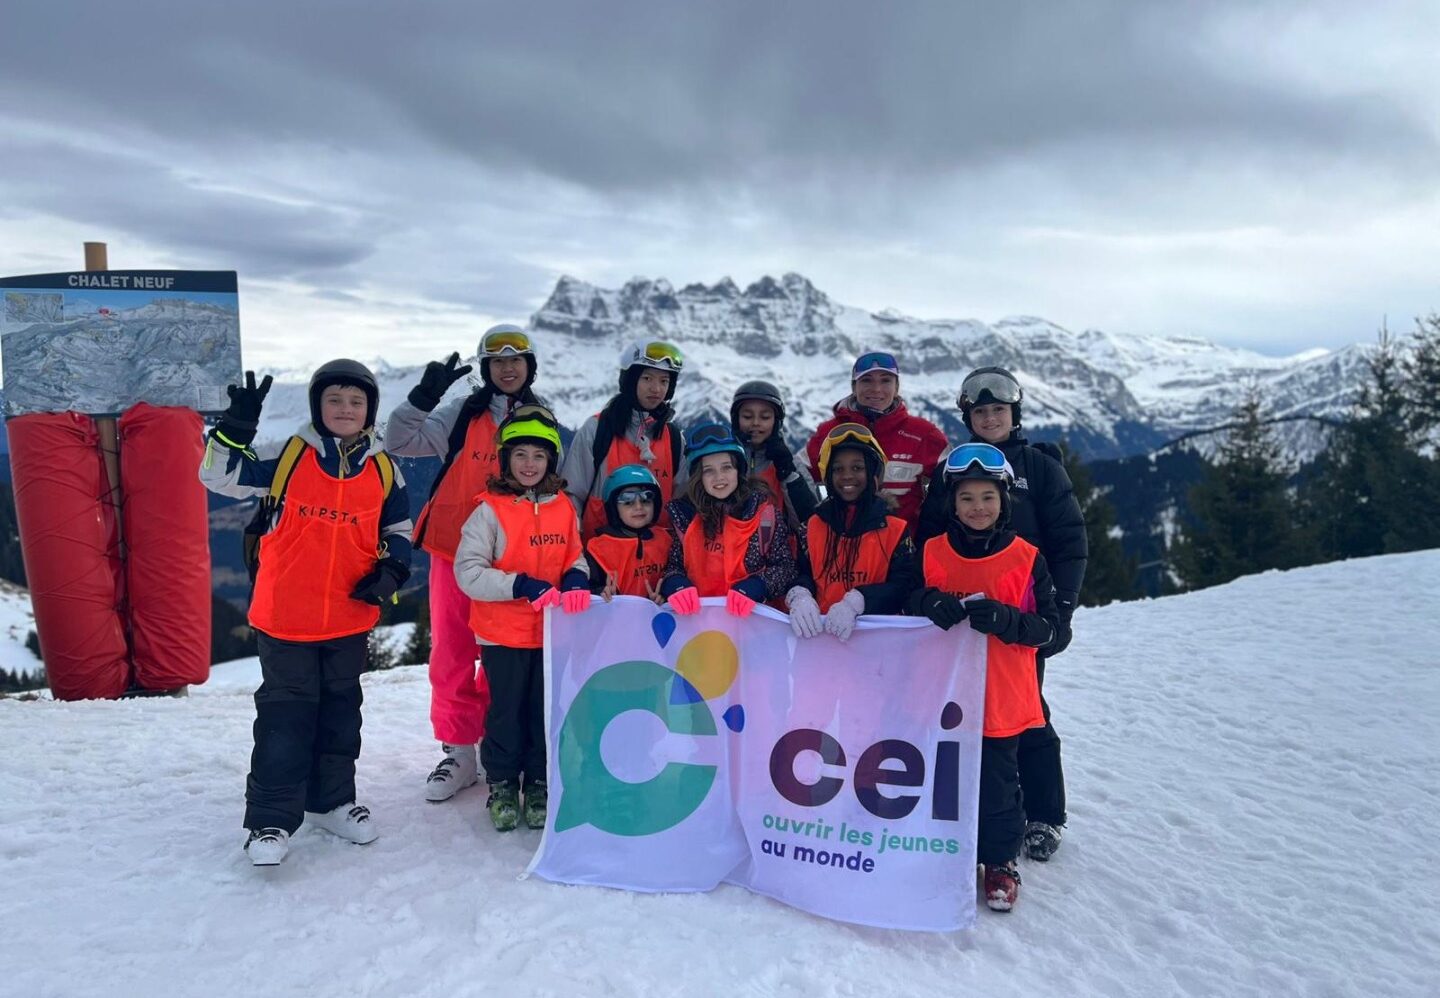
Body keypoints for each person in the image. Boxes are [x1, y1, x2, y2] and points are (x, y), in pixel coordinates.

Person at [201, 361, 412, 867]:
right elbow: (217, 474)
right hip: (286, 617)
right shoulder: (288, 455)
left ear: (370, 411)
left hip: (348, 617)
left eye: (356, 402)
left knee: (341, 716)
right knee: (285, 719)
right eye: (335, 400)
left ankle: (330, 802)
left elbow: (400, 527)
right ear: (318, 406)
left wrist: (393, 572)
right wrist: (236, 429)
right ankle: (269, 821)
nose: (345, 409)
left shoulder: (383, 467)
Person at [916, 366, 1087, 862]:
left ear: (1014, 413)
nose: (990, 418)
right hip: (960, 623)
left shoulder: (1041, 467)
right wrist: (927, 599)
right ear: (968, 417)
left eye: (999, 410)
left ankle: (1044, 816)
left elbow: (1070, 543)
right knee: (964, 719)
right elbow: (929, 538)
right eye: (981, 410)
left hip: (1023, 614)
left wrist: (1063, 609)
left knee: (1027, 716)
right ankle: (975, 812)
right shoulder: (953, 470)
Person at [386, 323, 545, 804]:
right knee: (453, 652)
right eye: (498, 361)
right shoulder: (462, 412)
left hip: (513, 559)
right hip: (453, 550)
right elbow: (398, 439)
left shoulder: (544, 415)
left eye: (517, 360)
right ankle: (458, 753)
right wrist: (424, 395)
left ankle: (503, 749)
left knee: (506, 655)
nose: (509, 368)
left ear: (529, 367)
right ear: (486, 368)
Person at [906, 442, 1065, 911]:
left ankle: (998, 860)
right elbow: (904, 598)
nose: (978, 508)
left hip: (1001, 697)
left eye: (988, 498)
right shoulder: (931, 551)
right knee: (942, 780)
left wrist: (1008, 620)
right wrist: (926, 603)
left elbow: (1051, 631)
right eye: (967, 498)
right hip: (944, 694)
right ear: (952, 504)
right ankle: (943, 852)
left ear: (1004, 502)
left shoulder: (1025, 557)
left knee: (997, 784)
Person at [453, 404, 590, 832]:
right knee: (506, 713)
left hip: (551, 635)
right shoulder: (489, 511)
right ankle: (502, 784)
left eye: (539, 456)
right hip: (503, 635)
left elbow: (576, 555)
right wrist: (518, 585)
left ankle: (539, 783)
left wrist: (575, 577)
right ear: (506, 460)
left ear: (551, 460)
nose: (529, 464)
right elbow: (468, 572)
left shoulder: (563, 507)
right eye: (520, 455)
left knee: (543, 713)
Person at [785, 423, 918, 640]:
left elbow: (905, 586)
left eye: (857, 468)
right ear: (828, 476)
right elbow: (800, 573)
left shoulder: (895, 530)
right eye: (838, 469)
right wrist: (800, 594)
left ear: (873, 472)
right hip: (819, 644)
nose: (847, 476)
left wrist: (860, 600)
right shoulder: (812, 527)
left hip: (877, 647)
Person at [659, 421, 795, 617]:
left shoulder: (764, 515)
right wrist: (676, 585)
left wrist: (759, 586)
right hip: (698, 622)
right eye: (709, 471)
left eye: (726, 468)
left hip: (750, 623)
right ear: (698, 476)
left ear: (738, 470)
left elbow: (786, 567)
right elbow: (673, 566)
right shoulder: (685, 517)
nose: (719, 477)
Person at [805, 351, 946, 531]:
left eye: (886, 380)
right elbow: (798, 483)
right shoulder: (830, 433)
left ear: (897, 387)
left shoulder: (923, 434)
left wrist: (928, 538)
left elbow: (954, 489)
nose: (876, 389)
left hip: (904, 551)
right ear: (854, 387)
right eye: (866, 380)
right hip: (843, 548)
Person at [562, 340, 687, 540]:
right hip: (600, 556)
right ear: (630, 380)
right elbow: (571, 496)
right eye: (647, 378)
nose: (656, 388)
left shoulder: (673, 438)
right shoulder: (598, 429)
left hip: (657, 557)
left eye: (664, 381)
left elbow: (681, 502)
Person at [730, 380, 819, 534]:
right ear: (736, 419)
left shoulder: (790, 464)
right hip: (731, 551)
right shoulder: (725, 460)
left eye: (765, 417)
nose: (756, 423)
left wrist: (787, 473)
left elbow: (810, 521)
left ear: (776, 422)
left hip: (779, 553)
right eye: (747, 416)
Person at [584, 464, 671, 603]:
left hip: (657, 619)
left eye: (646, 499)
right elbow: (587, 590)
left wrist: (666, 594)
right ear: (613, 508)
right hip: (617, 620)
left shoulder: (667, 540)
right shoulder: (598, 549)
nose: (639, 507)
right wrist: (599, 593)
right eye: (628, 501)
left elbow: (677, 576)